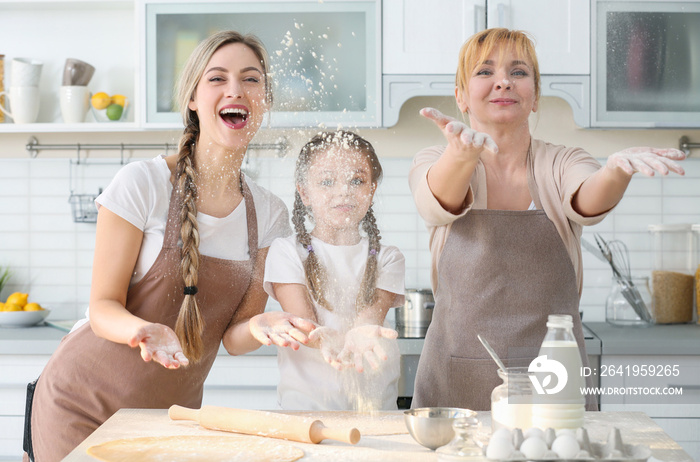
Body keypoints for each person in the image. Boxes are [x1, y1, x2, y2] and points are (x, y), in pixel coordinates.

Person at [25, 31, 315, 461]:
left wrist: (261, 326)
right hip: (79, 407)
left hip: (168, 420)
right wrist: (141, 330)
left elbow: (232, 339)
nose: (235, 89)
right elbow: (103, 306)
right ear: (194, 99)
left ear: (264, 101)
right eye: (217, 78)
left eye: (251, 80)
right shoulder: (143, 183)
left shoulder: (268, 214)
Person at [408, 28, 686, 411]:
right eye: (485, 71)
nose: (504, 80)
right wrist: (460, 154)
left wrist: (616, 172)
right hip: (454, 389)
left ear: (535, 97)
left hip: (554, 385)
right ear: (461, 97)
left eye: (519, 72)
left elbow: (588, 198)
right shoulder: (435, 161)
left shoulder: (562, 162)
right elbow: (435, 199)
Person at [263, 130, 405, 411]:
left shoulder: (388, 257)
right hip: (306, 408)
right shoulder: (286, 252)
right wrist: (324, 338)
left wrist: (361, 333)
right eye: (327, 181)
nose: (343, 191)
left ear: (372, 190)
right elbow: (305, 324)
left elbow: (369, 316)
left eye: (357, 180)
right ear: (304, 191)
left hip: (375, 408)